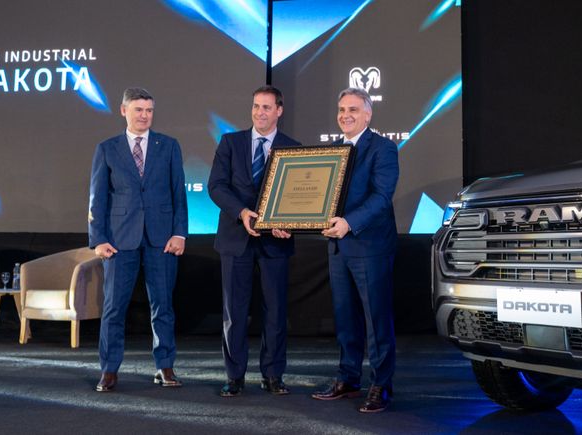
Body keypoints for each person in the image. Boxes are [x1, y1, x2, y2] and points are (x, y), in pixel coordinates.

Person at [88, 87, 188, 392]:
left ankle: (164, 367)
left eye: (149, 110)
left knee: (163, 306)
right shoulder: (107, 148)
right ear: (124, 111)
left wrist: (180, 232)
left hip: (162, 239)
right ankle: (108, 370)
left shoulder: (168, 146)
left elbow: (178, 193)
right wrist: (98, 239)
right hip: (119, 240)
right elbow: (97, 198)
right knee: (114, 308)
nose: (144, 116)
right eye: (138, 110)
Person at [208, 85, 300, 397]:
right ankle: (234, 376)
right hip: (236, 238)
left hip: (276, 242)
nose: (259, 112)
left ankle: (273, 375)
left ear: (279, 110)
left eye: (266, 107)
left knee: (275, 311)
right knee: (234, 311)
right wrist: (242, 212)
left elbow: (298, 196)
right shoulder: (230, 143)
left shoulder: (294, 147)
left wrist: (287, 222)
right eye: (256, 106)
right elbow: (217, 187)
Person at [311, 87, 399, 413]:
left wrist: (348, 222)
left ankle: (381, 385)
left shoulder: (383, 148)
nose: (345, 115)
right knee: (345, 318)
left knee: (376, 320)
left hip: (370, 245)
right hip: (338, 247)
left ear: (368, 113)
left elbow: (381, 197)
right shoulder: (333, 150)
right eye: (341, 110)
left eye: (352, 109)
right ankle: (348, 378)